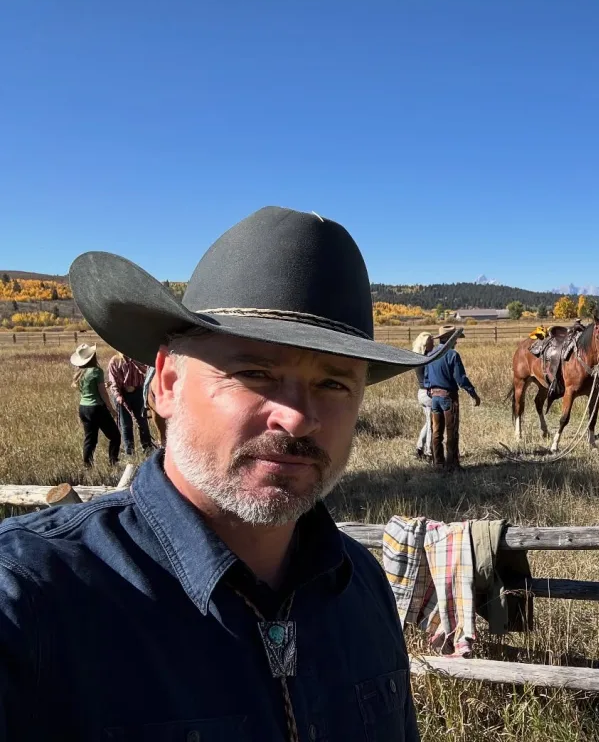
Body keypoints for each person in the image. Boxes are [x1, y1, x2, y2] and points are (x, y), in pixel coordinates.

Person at [0, 207, 447, 739]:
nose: (299, 416)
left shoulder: (363, 588)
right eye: (255, 372)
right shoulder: (31, 601)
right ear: (166, 383)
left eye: (334, 383)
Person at [422, 326, 480, 470]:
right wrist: (473, 393)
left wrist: (431, 390)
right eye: (455, 339)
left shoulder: (430, 354)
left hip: (434, 397)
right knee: (451, 430)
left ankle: (438, 463)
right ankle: (452, 464)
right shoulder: (452, 355)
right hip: (448, 397)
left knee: (436, 432)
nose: (456, 342)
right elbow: (460, 379)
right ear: (449, 340)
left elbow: (426, 379)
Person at [70, 343, 121, 467]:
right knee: (115, 436)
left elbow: (90, 389)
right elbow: (103, 394)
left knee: (90, 439)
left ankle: (87, 465)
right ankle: (113, 462)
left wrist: (103, 385)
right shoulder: (97, 371)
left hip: (84, 408)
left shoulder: (80, 373)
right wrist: (111, 409)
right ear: (93, 357)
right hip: (97, 408)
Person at [107, 351, 155, 455]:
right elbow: (113, 381)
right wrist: (118, 395)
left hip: (138, 393)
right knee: (126, 424)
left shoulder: (138, 359)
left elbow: (146, 371)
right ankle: (130, 451)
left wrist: (135, 361)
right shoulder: (115, 361)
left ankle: (147, 447)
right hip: (122, 393)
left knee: (142, 421)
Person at [411, 332, 435, 460]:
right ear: (426, 344)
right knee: (432, 423)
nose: (434, 344)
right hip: (428, 392)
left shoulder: (417, 357)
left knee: (428, 421)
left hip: (421, 392)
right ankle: (428, 451)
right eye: (432, 342)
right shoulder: (427, 359)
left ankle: (419, 448)